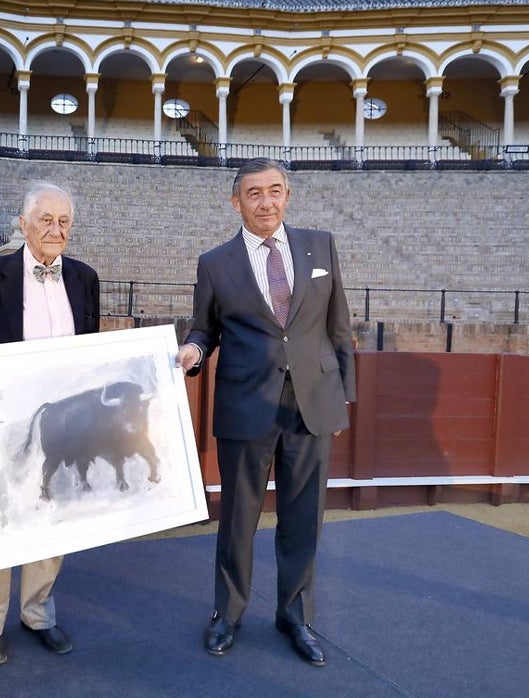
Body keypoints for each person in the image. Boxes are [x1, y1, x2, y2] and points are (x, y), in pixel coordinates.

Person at [175, 158, 355, 668]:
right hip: (246, 405)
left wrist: (343, 395)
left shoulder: (320, 245)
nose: (265, 202)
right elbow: (203, 327)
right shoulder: (214, 262)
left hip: (312, 404)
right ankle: (227, 615)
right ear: (237, 202)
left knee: (304, 520)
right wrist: (192, 350)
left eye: (274, 191)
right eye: (254, 193)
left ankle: (295, 616)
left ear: (287, 195)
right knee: (238, 519)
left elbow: (339, 326)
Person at [0, 182, 100, 667]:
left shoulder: (85, 278)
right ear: (24, 224)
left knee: (52, 515)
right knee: (0, 519)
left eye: (64, 222)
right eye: (46, 220)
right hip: (4, 422)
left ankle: (38, 613)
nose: (55, 230)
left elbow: (91, 351)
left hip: (64, 421)